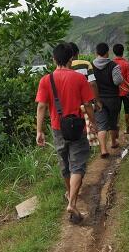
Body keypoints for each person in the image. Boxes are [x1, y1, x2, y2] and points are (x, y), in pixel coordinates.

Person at [36, 42, 96, 224]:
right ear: (72, 58)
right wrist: (93, 123)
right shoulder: (79, 79)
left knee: (64, 163)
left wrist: (39, 131)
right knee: (77, 164)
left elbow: (41, 106)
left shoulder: (46, 80)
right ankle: (72, 202)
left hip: (57, 127)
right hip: (77, 126)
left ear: (54, 59)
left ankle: (69, 193)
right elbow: (87, 104)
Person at [92, 42, 124, 157]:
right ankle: (114, 142)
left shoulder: (91, 66)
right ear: (107, 52)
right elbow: (117, 81)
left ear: (96, 52)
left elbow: (90, 83)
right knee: (113, 122)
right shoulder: (113, 65)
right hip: (113, 98)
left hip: (99, 99)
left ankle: (103, 150)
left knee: (101, 125)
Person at [112, 43, 129, 135]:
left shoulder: (111, 64)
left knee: (116, 111)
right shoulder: (127, 63)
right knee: (127, 110)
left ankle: (116, 130)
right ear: (123, 51)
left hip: (115, 92)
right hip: (126, 91)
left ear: (114, 52)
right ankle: (127, 129)